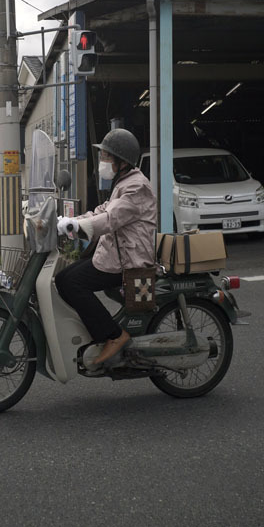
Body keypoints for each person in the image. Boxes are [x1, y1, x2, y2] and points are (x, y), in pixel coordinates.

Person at [56, 128, 157, 364]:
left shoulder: (136, 186)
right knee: (62, 278)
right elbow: (102, 211)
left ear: (122, 161)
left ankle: (113, 335)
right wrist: (71, 221)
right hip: (113, 255)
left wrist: (79, 227)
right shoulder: (124, 182)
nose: (102, 162)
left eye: (106, 157)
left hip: (128, 261)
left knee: (72, 282)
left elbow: (111, 218)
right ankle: (97, 329)